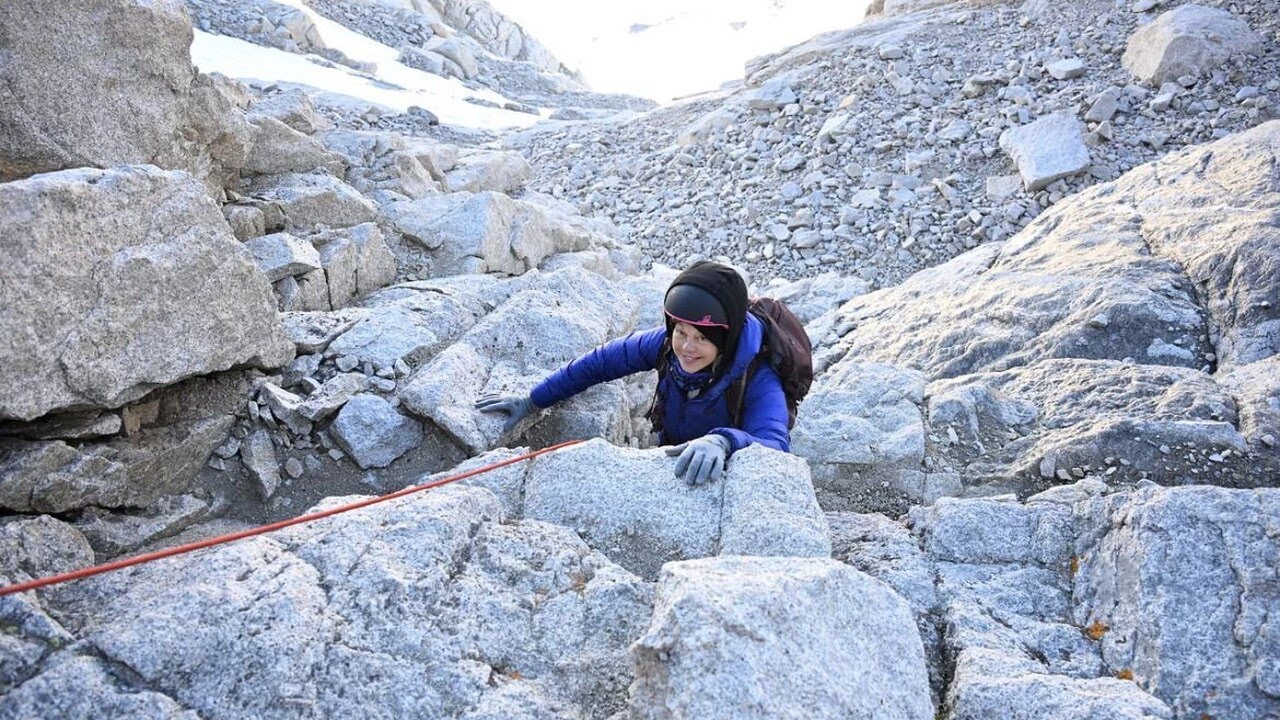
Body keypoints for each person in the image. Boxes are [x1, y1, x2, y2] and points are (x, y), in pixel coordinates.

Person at [476, 261, 790, 486]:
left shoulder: (757, 378)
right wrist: (532, 401)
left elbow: (775, 445)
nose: (687, 348)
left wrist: (723, 442)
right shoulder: (664, 345)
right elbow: (598, 363)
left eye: (703, 338)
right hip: (671, 453)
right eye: (681, 332)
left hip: (719, 473)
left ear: (726, 339)